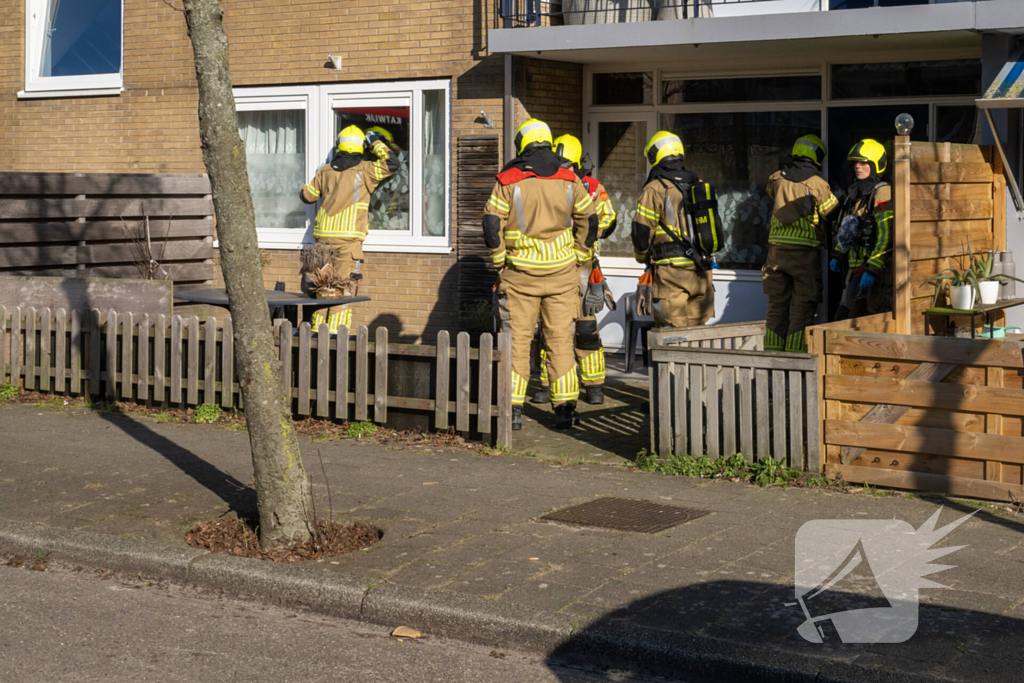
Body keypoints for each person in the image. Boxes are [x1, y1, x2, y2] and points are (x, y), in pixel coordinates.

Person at [484, 119, 599, 430]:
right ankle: (564, 412)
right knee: (560, 341)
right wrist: (578, 255)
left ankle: (513, 412)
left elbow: (491, 225)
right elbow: (590, 219)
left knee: (516, 343)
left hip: (520, 276)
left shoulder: (508, 180)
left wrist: (499, 262)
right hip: (562, 276)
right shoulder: (569, 178)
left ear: (522, 144)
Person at [533, 133, 617, 406]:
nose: (561, 168)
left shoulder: (593, 187)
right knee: (551, 327)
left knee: (585, 327)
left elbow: (608, 218)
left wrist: (587, 233)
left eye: (566, 164)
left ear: (577, 164)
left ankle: (593, 386)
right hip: (552, 264)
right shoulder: (544, 182)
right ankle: (549, 384)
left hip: (581, 264)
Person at [300, 125, 399, 333]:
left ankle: (317, 333)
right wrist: (375, 142)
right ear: (361, 147)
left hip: (323, 240)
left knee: (323, 289)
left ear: (339, 146)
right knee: (342, 290)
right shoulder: (365, 170)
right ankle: (335, 335)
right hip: (348, 242)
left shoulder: (325, 170)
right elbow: (392, 163)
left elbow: (307, 196)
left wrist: (322, 172)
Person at [631, 131, 718, 329]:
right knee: (697, 336)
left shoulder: (655, 188)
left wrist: (642, 257)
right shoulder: (699, 184)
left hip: (672, 274)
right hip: (702, 272)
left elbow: (641, 231)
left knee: (671, 337)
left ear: (655, 157)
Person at [762, 134, 839, 352]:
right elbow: (830, 212)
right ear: (817, 156)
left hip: (776, 253)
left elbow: (772, 196)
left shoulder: (776, 178)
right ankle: (795, 357)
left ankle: (772, 356)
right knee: (802, 305)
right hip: (804, 254)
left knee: (776, 305)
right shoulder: (817, 183)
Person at [830, 139, 893, 320]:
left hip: (872, 271)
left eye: (863, 162)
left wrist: (872, 269)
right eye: (855, 163)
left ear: (876, 165)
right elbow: (848, 229)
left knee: (860, 319)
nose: (858, 166)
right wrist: (837, 254)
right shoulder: (855, 194)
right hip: (854, 268)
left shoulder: (882, 192)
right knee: (843, 316)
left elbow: (886, 235)